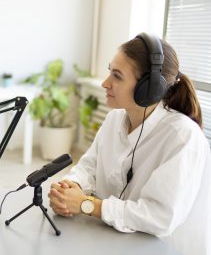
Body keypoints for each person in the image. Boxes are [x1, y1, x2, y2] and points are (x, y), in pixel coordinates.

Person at [48, 32, 210, 255]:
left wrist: (87, 204)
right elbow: (88, 168)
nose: (105, 83)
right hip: (114, 242)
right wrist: (70, 188)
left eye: (117, 76)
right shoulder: (114, 120)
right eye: (109, 71)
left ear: (149, 88)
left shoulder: (182, 136)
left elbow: (159, 216)